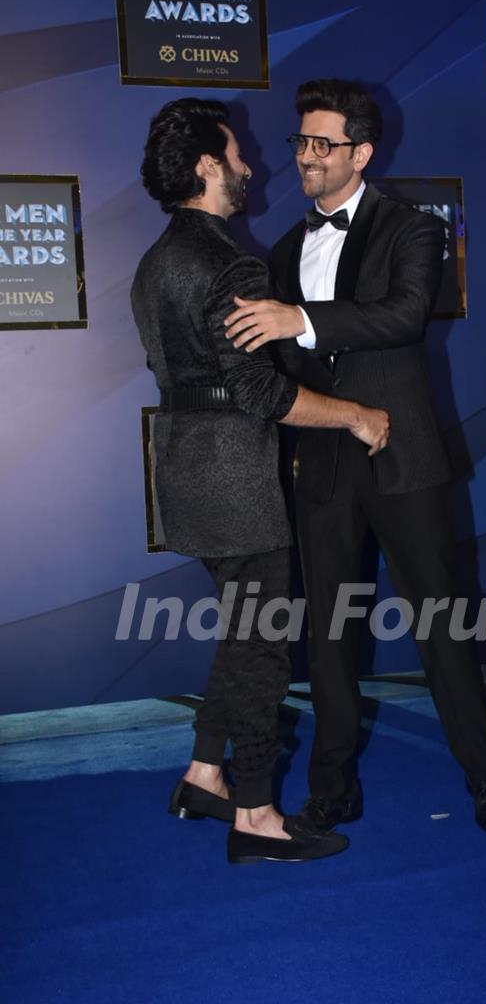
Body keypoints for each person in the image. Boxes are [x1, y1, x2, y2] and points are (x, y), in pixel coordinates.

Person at [223, 79, 486, 836]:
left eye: (323, 144)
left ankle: (484, 779)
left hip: (403, 457)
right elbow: (282, 364)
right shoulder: (286, 248)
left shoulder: (412, 229)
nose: (306, 158)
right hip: (322, 462)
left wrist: (302, 318)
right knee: (326, 636)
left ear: (362, 152)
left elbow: (405, 315)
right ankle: (334, 786)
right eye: (301, 142)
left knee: (442, 624)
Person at [131, 97, 389, 865]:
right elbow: (262, 395)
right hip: (236, 482)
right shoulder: (230, 264)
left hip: (180, 472)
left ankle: (203, 773)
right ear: (209, 167)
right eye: (238, 154)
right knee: (266, 647)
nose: (252, 166)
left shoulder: (155, 262)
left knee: (243, 635)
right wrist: (354, 416)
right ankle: (255, 811)